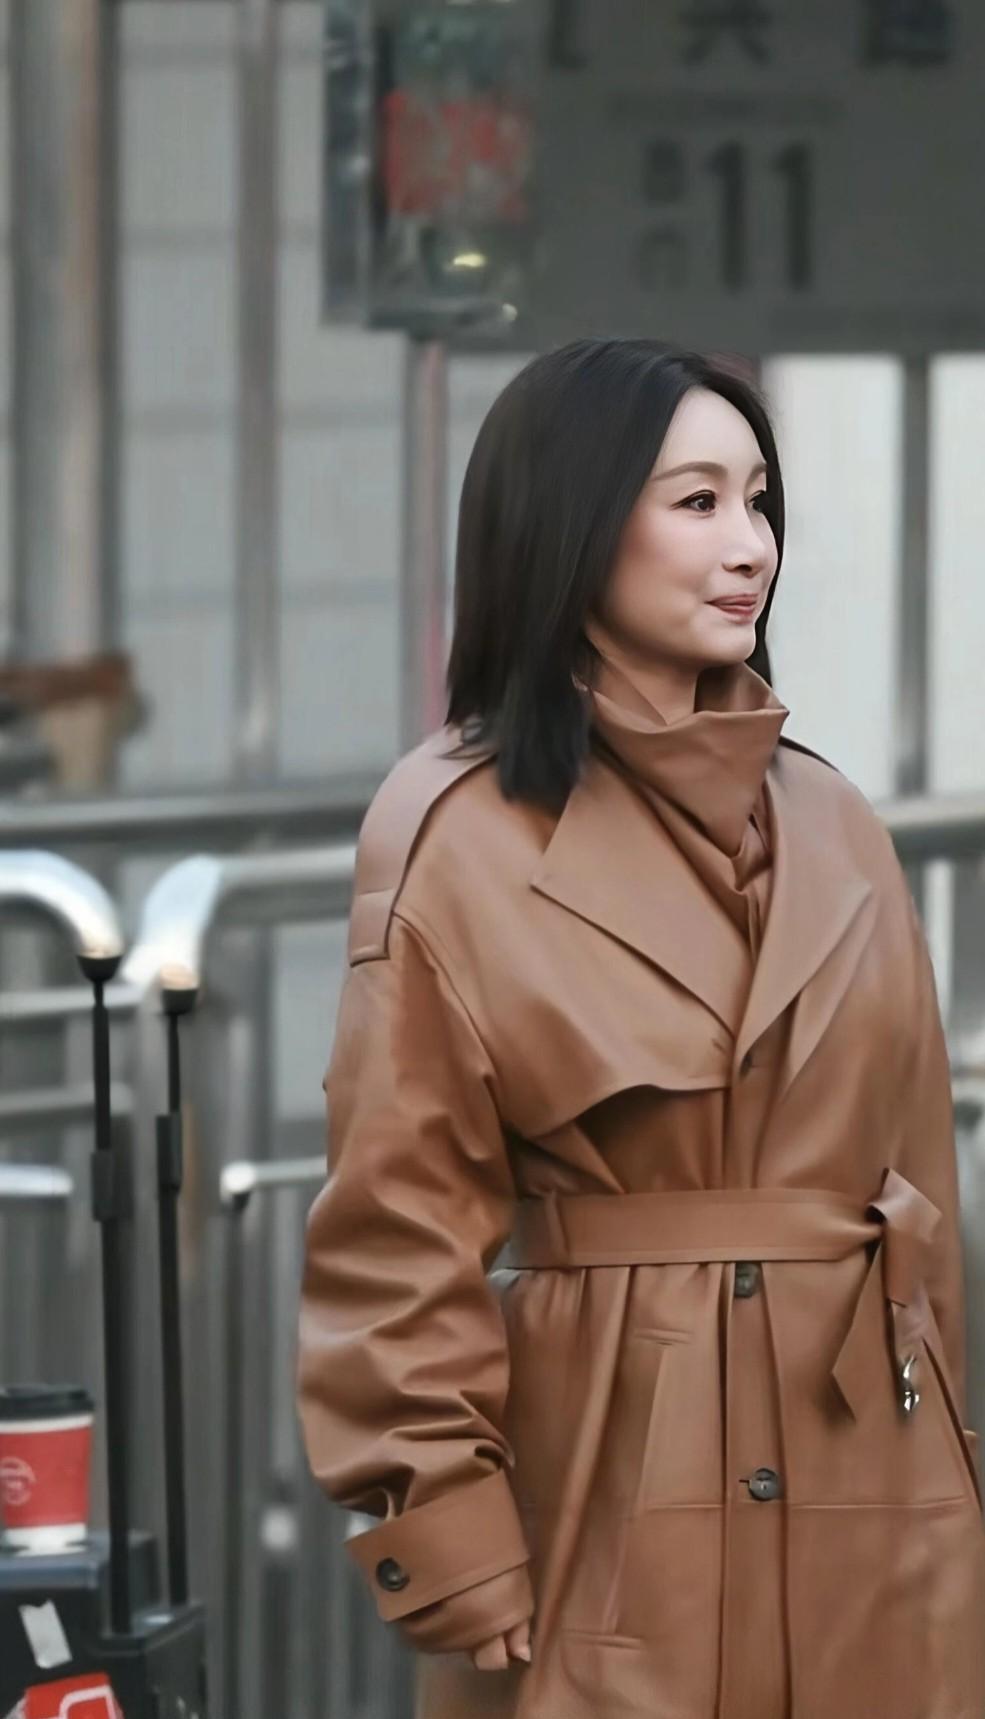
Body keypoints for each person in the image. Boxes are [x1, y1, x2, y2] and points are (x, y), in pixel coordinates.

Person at [296, 338, 985, 1719]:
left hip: (870, 1483)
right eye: (696, 502)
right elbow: (397, 1223)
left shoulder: (834, 820)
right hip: (606, 1477)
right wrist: (441, 1525)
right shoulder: (455, 832)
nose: (750, 547)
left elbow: (917, 1197)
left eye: (759, 500)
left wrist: (947, 1484)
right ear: (573, 521)